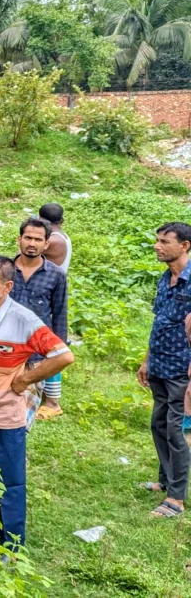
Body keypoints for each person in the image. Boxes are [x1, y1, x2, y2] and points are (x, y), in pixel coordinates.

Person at [0, 256, 74, 548]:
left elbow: (64, 356)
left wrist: (24, 381)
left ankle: (11, 545)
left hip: (5, 416)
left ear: (7, 286)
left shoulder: (24, 320)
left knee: (8, 483)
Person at [137, 222, 191, 518]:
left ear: (184, 246)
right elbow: (158, 321)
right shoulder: (164, 279)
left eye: (164, 241)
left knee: (176, 431)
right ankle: (165, 479)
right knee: (159, 424)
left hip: (183, 369)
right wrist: (147, 360)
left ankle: (177, 499)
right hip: (160, 364)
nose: (157, 245)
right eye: (157, 240)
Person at [11, 217, 69, 421]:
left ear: (46, 244)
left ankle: (13, 451)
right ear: (19, 239)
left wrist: (57, 353)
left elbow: (60, 314)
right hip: (3, 349)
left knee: (25, 409)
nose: (31, 243)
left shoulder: (56, 275)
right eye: (28, 238)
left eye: (37, 239)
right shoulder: (4, 270)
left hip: (36, 354)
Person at [39, 202, 71, 273]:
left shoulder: (51, 240)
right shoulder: (64, 236)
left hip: (48, 282)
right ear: (62, 220)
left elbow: (19, 258)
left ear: (39, 219)